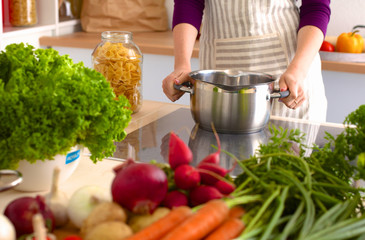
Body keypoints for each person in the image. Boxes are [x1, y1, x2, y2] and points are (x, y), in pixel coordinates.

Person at [162, 0, 331, 122]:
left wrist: (298, 70)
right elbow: (188, 2)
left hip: (291, 70)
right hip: (220, 75)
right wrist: (182, 64)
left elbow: (316, 6)